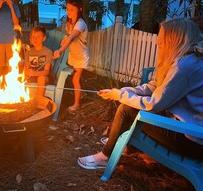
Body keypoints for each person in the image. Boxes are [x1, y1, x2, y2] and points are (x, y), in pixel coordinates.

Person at [77, 18, 203, 169]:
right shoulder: (190, 60)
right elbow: (156, 86)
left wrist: (120, 96)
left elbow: (154, 104)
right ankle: (125, 145)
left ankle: (105, 157)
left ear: (175, 40)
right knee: (130, 105)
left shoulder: (185, 66)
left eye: (162, 38)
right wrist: (121, 91)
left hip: (192, 140)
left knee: (126, 110)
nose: (158, 43)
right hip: (191, 132)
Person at [53, 0, 89, 113]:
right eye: (67, 9)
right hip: (74, 55)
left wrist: (60, 50)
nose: (68, 12)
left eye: (72, 9)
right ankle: (80, 94)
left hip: (81, 56)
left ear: (80, 9)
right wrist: (63, 39)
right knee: (74, 79)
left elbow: (71, 37)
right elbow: (68, 36)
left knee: (75, 79)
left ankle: (76, 104)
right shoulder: (70, 22)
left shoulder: (80, 24)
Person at [24, 26, 53, 96]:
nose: (35, 39)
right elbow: (26, 69)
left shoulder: (48, 52)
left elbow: (46, 72)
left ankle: (38, 101)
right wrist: (27, 73)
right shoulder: (28, 52)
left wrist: (34, 73)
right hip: (31, 76)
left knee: (41, 79)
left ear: (44, 38)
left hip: (44, 77)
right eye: (33, 36)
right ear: (30, 38)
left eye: (38, 36)